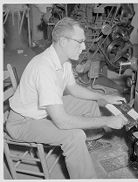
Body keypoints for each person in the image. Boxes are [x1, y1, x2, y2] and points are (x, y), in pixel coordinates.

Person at [6, 17, 128, 179]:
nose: (84, 47)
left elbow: (74, 89)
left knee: (88, 103)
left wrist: (104, 97)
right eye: (80, 42)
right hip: (23, 122)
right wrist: (107, 121)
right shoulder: (44, 68)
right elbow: (62, 122)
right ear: (63, 41)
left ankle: (88, 144)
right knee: (74, 136)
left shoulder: (62, 61)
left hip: (40, 111)